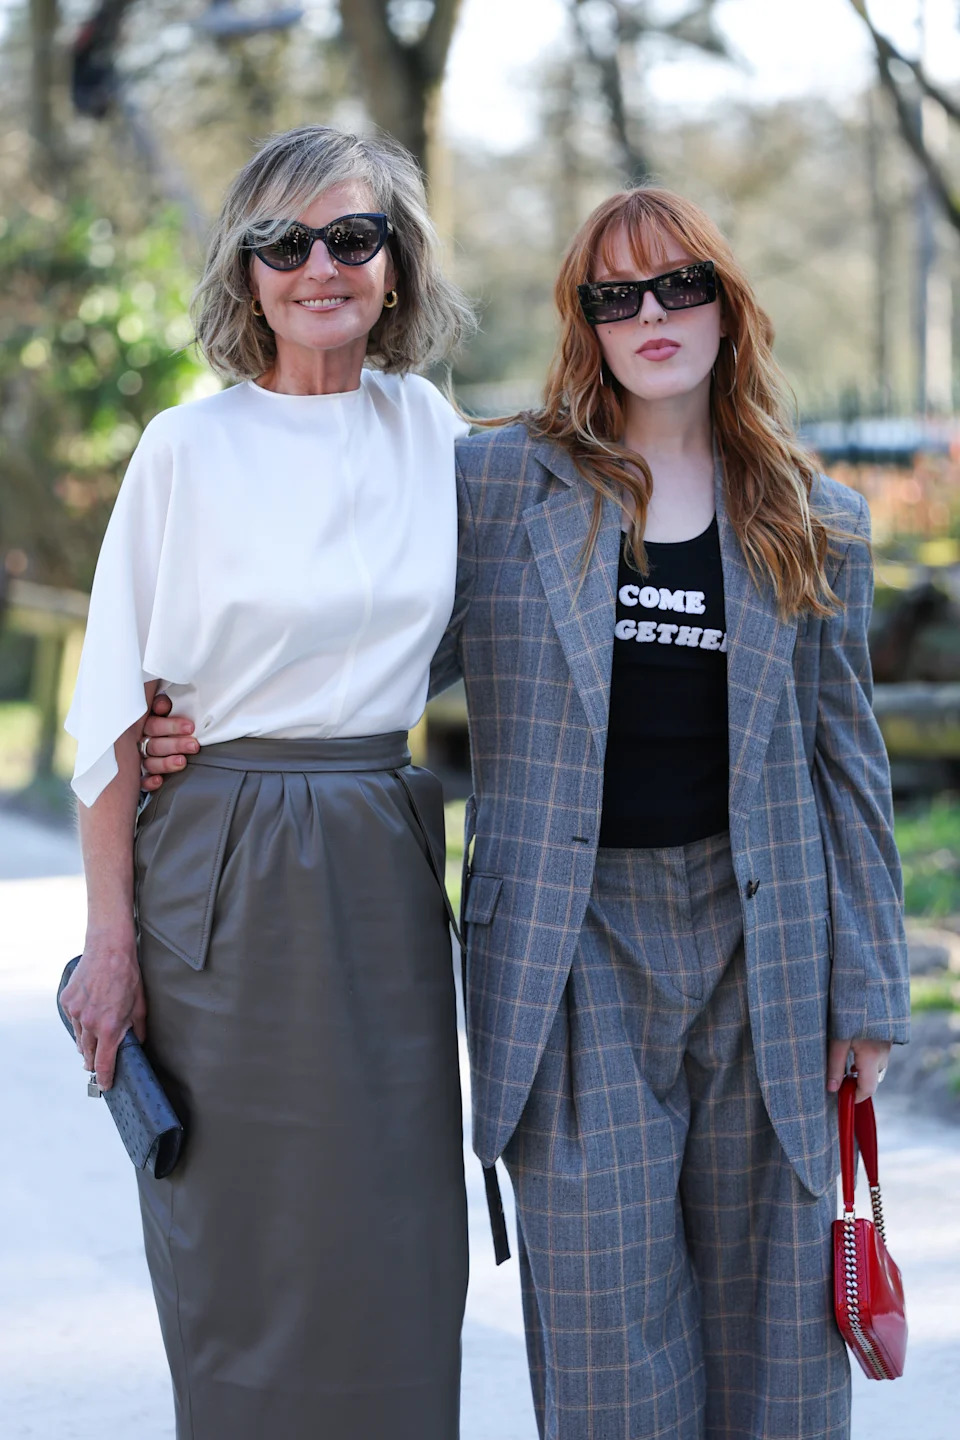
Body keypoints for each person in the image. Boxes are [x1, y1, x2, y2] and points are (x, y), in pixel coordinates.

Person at [145, 186, 910, 1440]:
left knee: (775, 1341)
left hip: (765, 956)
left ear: (728, 303)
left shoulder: (815, 522)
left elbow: (851, 767)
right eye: (616, 296)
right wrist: (212, 715)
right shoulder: (500, 489)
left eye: (680, 285)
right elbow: (368, 626)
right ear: (586, 324)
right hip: (572, 959)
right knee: (613, 1351)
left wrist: (871, 994)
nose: (651, 314)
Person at [60, 124, 474, 1440]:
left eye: (352, 237)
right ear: (246, 275)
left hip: (383, 869)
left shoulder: (445, 442)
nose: (320, 267)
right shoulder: (188, 447)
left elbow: (521, 631)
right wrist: (108, 943)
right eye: (283, 244)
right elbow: (118, 710)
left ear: (396, 268)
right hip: (218, 878)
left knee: (397, 1237)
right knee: (241, 1239)